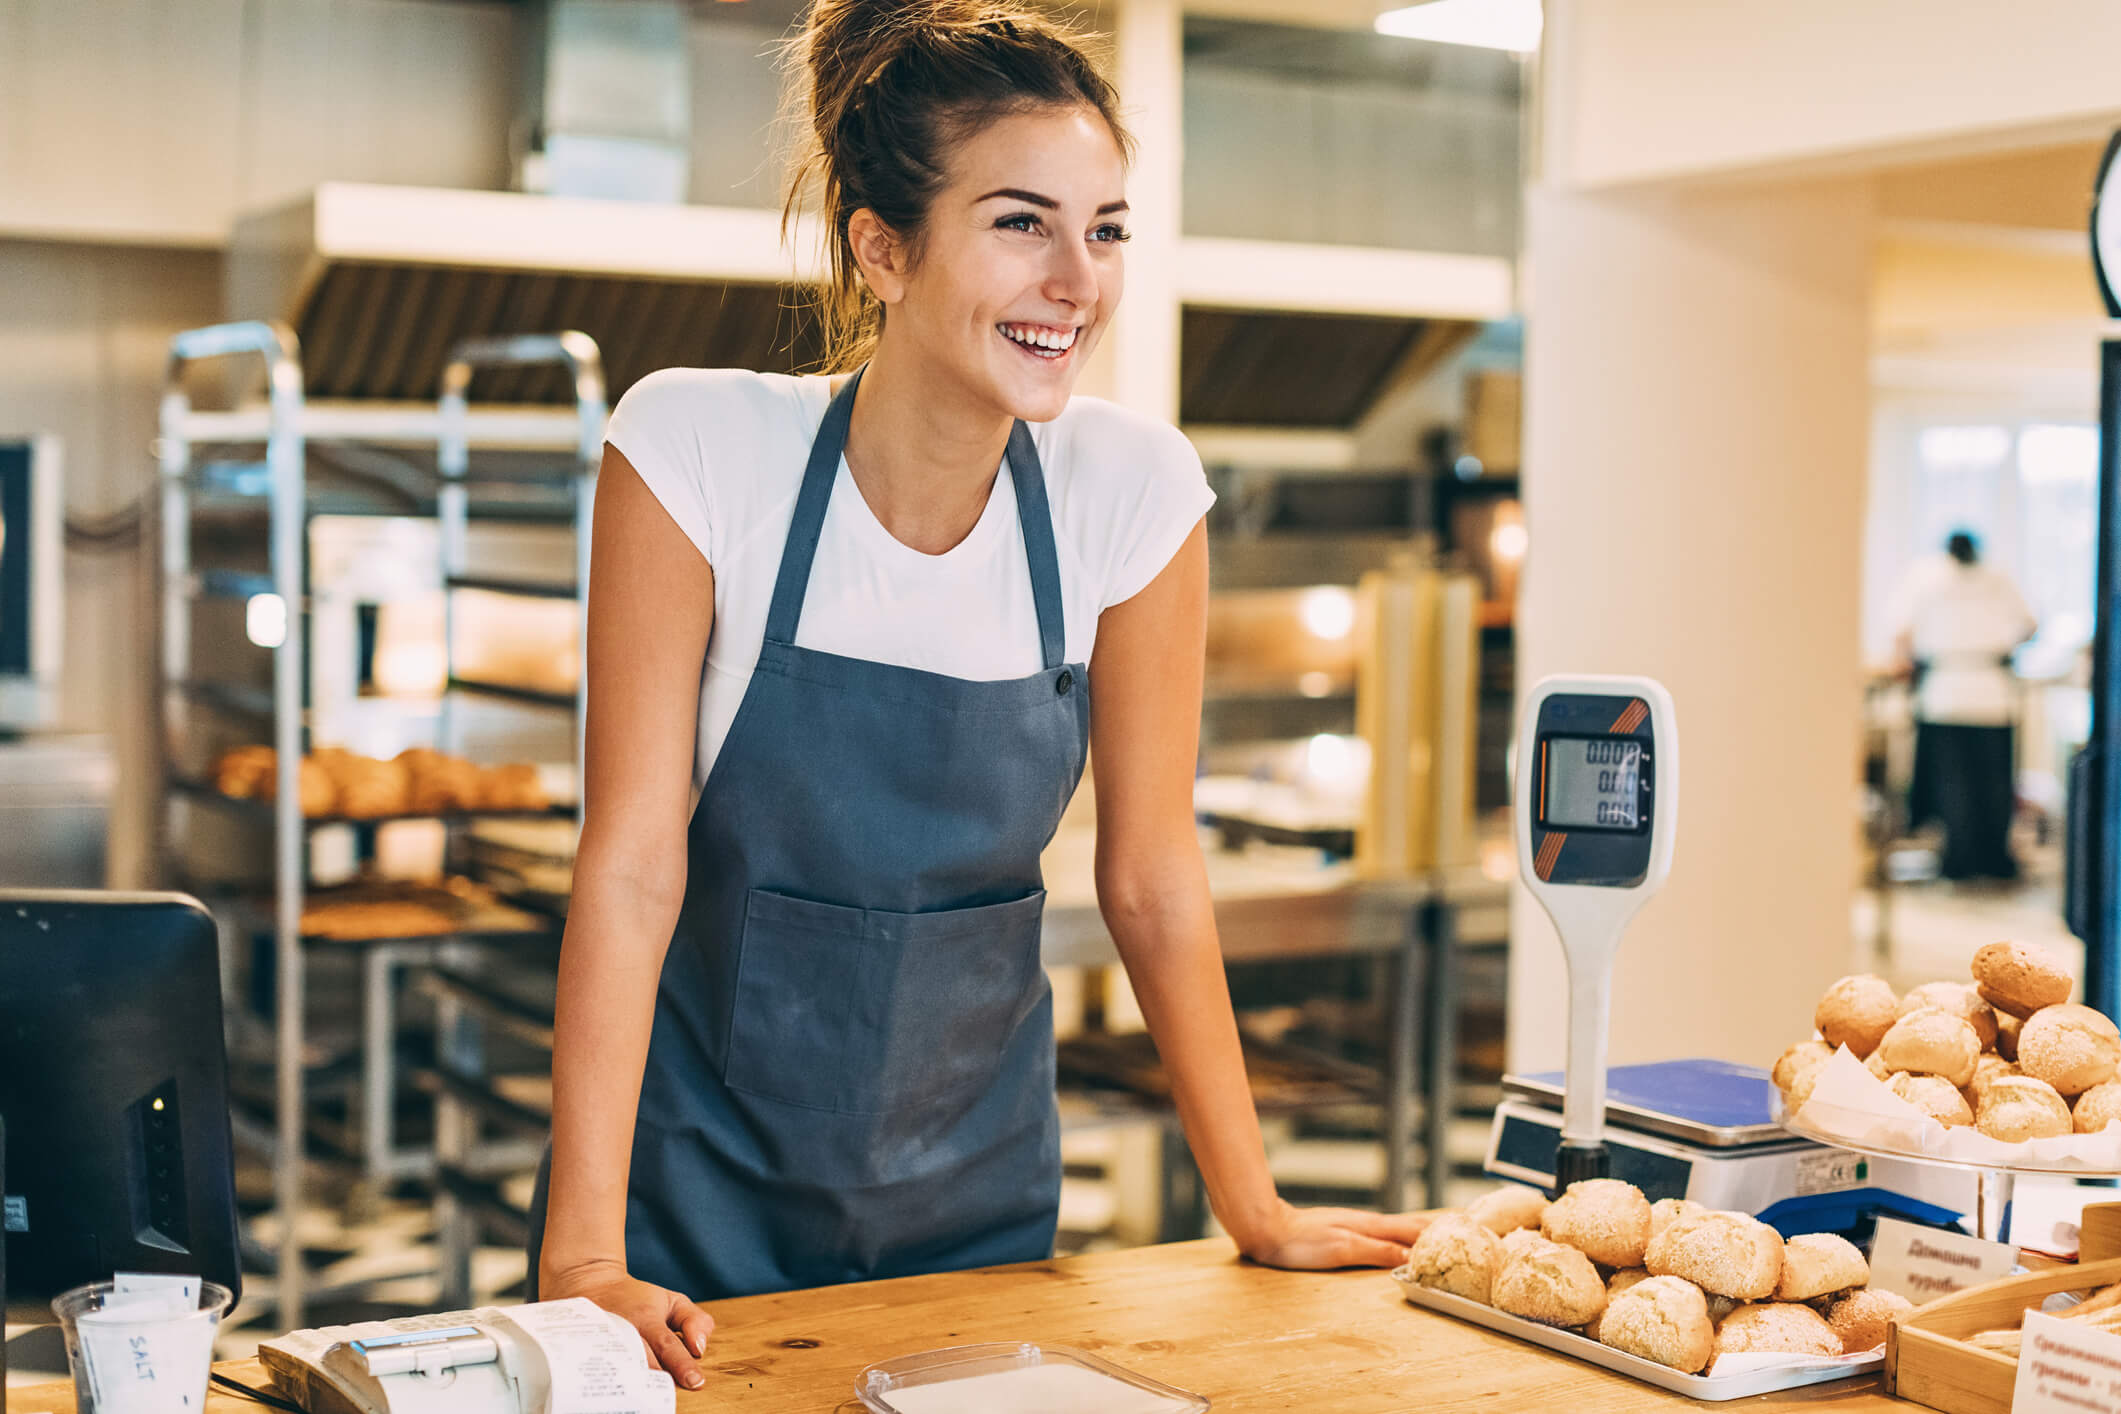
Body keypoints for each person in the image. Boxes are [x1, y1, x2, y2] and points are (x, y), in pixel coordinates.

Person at [528, 0, 1427, 1387]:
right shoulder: (695, 452)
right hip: (696, 1210)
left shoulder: (1132, 494)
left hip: (980, 1204)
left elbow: (1151, 875)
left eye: (1107, 227)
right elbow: (634, 865)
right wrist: (584, 1255)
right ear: (879, 248)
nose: (1078, 277)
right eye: (1022, 223)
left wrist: (1255, 1204)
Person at [1891, 530, 2036, 881]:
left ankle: (1961, 861)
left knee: (1955, 785)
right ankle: (1985, 859)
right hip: (1983, 691)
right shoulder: (1994, 577)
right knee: (1988, 786)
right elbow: (2029, 626)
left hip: (1952, 692)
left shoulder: (1929, 576)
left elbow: (1901, 631)